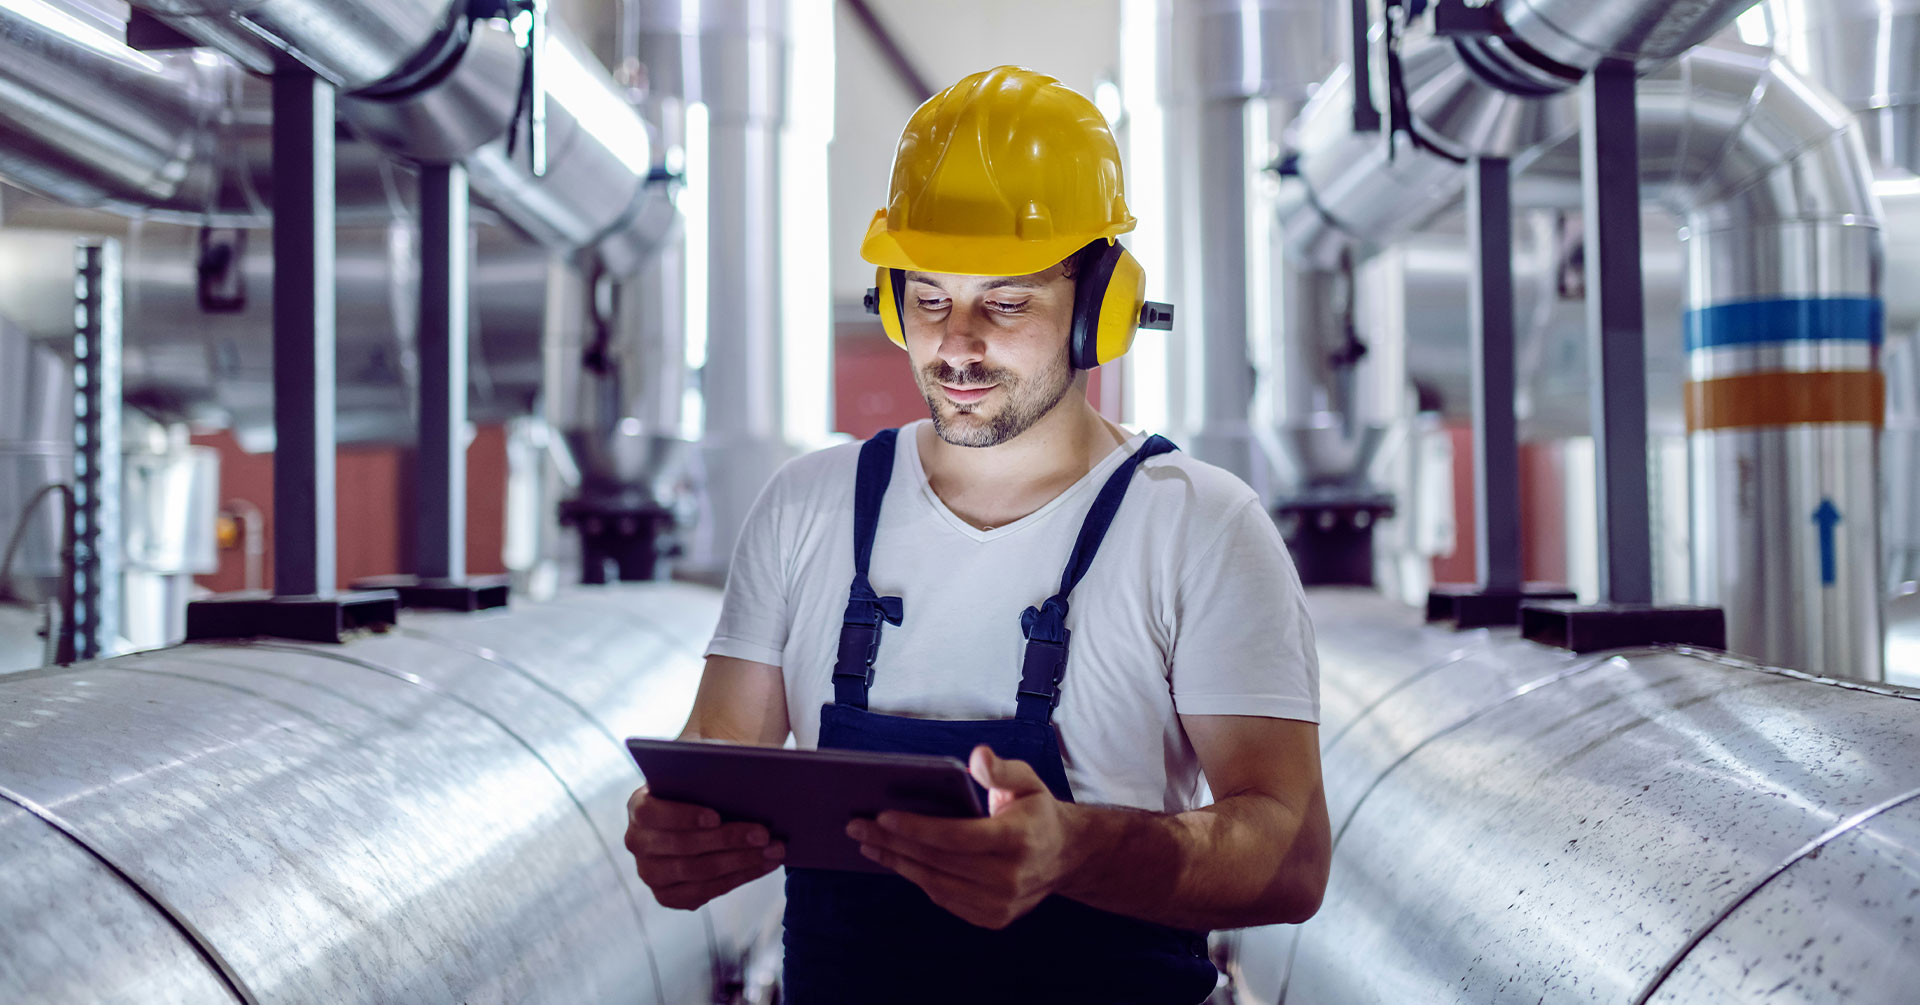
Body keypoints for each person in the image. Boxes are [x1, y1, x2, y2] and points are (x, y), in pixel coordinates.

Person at [624, 65, 1330, 1003]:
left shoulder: (1198, 524)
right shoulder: (807, 506)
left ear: (1100, 308)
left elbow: (1289, 857)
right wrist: (678, 835)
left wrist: (1076, 849)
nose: (956, 343)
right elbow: (717, 750)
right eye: (927, 298)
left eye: (1005, 303)